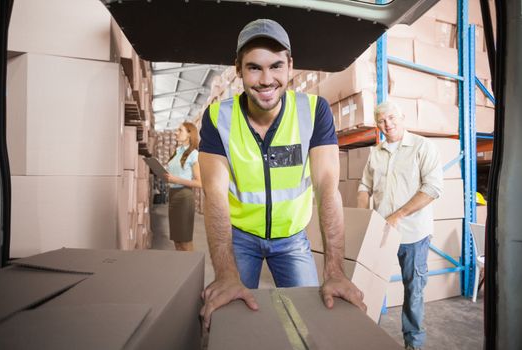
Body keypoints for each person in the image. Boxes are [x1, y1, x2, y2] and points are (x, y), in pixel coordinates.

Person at [198, 18, 366, 328]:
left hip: (292, 239)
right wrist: (225, 274)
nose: (266, 79)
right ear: (238, 69)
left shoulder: (314, 111)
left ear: (290, 66)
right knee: (231, 321)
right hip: (241, 238)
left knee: (311, 319)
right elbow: (215, 195)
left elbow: (328, 189)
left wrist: (335, 271)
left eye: (276, 66)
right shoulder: (218, 117)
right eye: (254, 68)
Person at [357, 101, 443, 350]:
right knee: (369, 285)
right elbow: (364, 187)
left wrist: (398, 215)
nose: (388, 124)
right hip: (380, 233)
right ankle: (367, 337)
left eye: (392, 118)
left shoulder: (422, 147)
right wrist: (365, 216)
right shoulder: (376, 153)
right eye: (382, 120)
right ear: (377, 124)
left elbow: (433, 188)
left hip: (414, 233)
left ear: (403, 117)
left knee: (413, 290)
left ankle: (413, 344)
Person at [165, 121, 202, 251]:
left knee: (185, 241)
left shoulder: (194, 154)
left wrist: (176, 179)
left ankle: (192, 269)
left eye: (180, 130)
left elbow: (199, 182)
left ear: (189, 134)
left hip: (184, 197)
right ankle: (182, 268)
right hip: (173, 195)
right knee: (176, 240)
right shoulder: (177, 152)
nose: (176, 133)